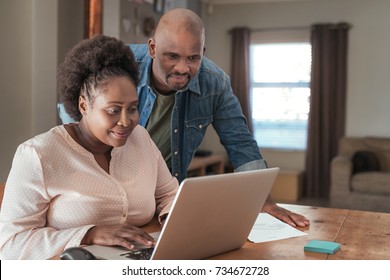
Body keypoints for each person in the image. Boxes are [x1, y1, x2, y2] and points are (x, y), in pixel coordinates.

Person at [59, 8, 309, 227]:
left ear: (203, 51)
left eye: (193, 58)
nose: (182, 68)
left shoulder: (215, 83)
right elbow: (73, 115)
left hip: (163, 196)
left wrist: (262, 201)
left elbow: (241, 144)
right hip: (105, 189)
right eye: (172, 56)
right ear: (153, 48)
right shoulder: (119, 67)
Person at [0, 35, 178, 260]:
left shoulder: (140, 138)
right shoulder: (37, 155)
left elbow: (169, 193)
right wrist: (87, 234)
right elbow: (10, 245)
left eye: (132, 108)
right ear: (83, 104)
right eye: (114, 110)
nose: (126, 121)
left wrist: (174, 216)